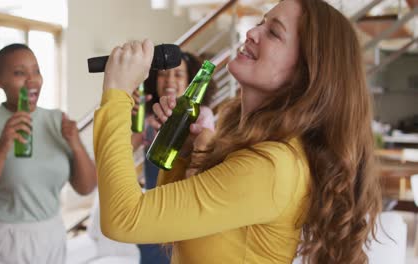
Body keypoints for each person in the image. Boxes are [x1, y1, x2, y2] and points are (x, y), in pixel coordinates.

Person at [93, 0, 382, 263]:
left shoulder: (271, 166)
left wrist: (117, 93)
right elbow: (171, 228)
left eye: (274, 33)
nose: (252, 33)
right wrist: (186, 153)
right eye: (260, 23)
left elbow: (124, 218)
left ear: (306, 72)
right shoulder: (249, 146)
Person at [0, 43, 97, 264]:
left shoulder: (56, 120)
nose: (32, 80)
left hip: (50, 238)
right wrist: (2, 147)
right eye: (19, 73)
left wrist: (75, 143)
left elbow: (86, 187)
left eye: (36, 71)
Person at [131, 52, 216, 264]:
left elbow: (203, 166)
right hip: (151, 215)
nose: (169, 80)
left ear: (190, 81)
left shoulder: (202, 115)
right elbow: (123, 150)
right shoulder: (149, 116)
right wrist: (131, 117)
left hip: (182, 215)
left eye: (178, 75)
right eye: (163, 74)